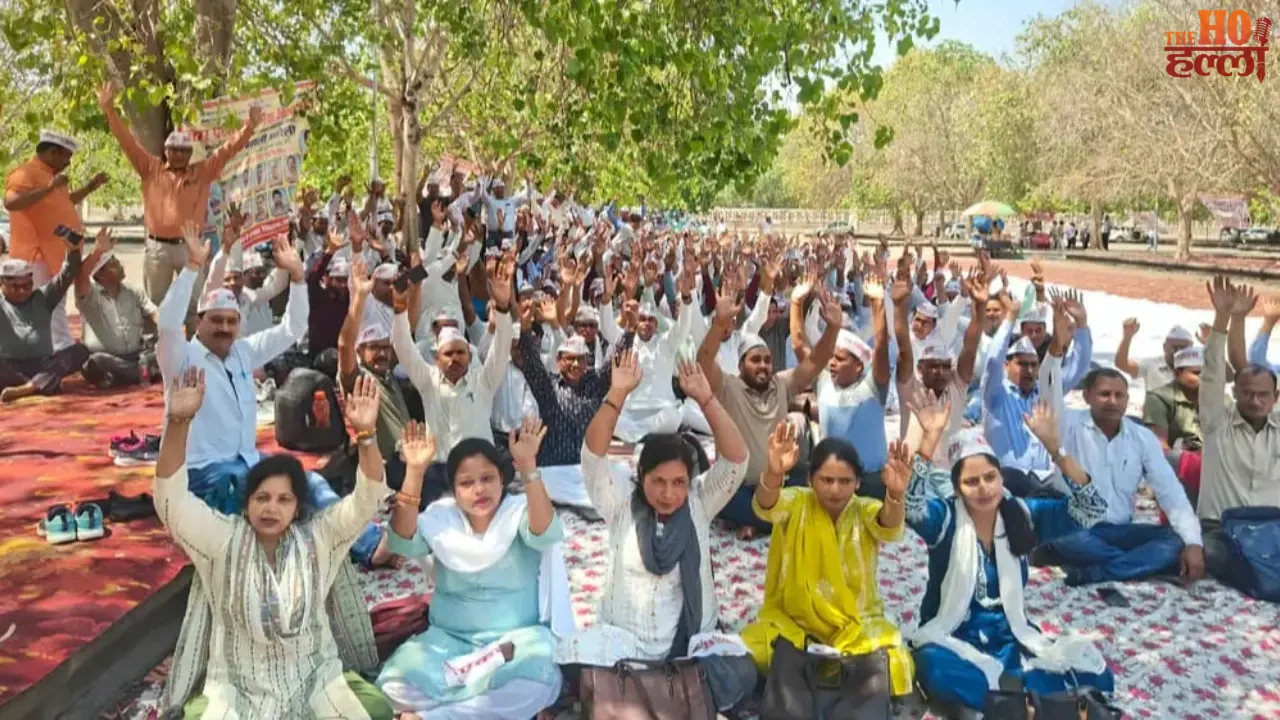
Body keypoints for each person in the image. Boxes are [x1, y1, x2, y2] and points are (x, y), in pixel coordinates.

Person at [154, 368, 393, 719]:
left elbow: (368, 496)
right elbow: (170, 502)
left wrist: (368, 435)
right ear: (247, 503)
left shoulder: (320, 536)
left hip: (315, 680)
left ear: (298, 508)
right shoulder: (223, 538)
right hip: (237, 687)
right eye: (262, 497)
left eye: (284, 500)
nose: (271, 508)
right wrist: (178, 422)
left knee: (376, 712)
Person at [155, 222, 389, 567]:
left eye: (230, 322)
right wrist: (192, 266)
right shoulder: (180, 358)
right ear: (199, 321)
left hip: (248, 461)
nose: (224, 328)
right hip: (204, 473)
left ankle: (368, 543)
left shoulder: (242, 352)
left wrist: (296, 277)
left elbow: (292, 329)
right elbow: (166, 322)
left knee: (307, 482)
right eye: (215, 320)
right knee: (264, 501)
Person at [558, 354, 758, 715]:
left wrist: (706, 399)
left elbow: (736, 461)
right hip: (626, 643)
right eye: (658, 482)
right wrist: (617, 394)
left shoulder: (699, 503)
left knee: (742, 669)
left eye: (679, 482)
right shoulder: (620, 503)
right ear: (640, 477)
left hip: (690, 644)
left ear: (690, 481)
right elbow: (593, 456)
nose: (669, 494)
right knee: (569, 664)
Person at [905, 399, 1113, 715]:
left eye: (990, 477)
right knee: (932, 667)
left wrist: (1056, 450)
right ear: (957, 489)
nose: (984, 488)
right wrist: (928, 443)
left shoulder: (1024, 515)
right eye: (971, 482)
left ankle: (1013, 706)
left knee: (1097, 674)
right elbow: (910, 508)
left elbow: (1092, 510)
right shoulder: (945, 519)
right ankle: (1037, 708)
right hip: (953, 640)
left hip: (1010, 640)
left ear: (1002, 478)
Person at [376, 418, 569, 719]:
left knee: (540, 679)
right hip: (449, 642)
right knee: (394, 685)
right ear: (453, 490)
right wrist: (414, 472)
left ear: (502, 481)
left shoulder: (518, 513)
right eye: (467, 482)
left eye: (487, 478)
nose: (479, 489)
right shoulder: (441, 520)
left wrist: (528, 466)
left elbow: (545, 533)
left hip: (515, 644)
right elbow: (401, 542)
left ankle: (431, 716)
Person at [740, 425, 914, 696]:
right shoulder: (797, 502)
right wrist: (775, 472)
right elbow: (765, 507)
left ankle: (810, 676)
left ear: (857, 482)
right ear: (810, 479)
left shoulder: (864, 508)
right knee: (748, 652)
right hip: (794, 623)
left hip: (856, 624)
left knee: (898, 663)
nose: (835, 489)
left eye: (845, 481)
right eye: (826, 480)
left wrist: (896, 495)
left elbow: (889, 526)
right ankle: (840, 679)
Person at [698, 275, 839, 538]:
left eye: (767, 360)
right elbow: (703, 361)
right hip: (737, 488)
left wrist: (832, 329)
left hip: (777, 483)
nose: (763, 366)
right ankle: (771, 520)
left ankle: (760, 521)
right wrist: (719, 323)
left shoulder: (781, 384)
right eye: (755, 360)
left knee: (816, 486)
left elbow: (816, 363)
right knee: (720, 496)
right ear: (741, 366)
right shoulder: (728, 387)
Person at [98, 82, 262, 309]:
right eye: (173, 149)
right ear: (166, 151)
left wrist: (250, 126)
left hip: (190, 248)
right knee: (155, 304)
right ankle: (156, 344)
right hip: (157, 250)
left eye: (183, 151)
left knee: (196, 304)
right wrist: (109, 110)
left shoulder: (202, 172)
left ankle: (196, 342)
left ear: (189, 154)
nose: (178, 154)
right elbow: (128, 142)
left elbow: (227, 149)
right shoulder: (150, 168)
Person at [1041, 366, 1205, 586]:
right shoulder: (1067, 424)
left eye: (1119, 395)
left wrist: (1193, 543)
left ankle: (1096, 572)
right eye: (1104, 394)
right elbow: (1047, 388)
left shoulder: (1142, 438)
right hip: (1076, 528)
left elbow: (1171, 493)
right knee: (1067, 539)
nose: (1112, 401)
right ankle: (1134, 564)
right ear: (1087, 396)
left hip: (1120, 530)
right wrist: (1056, 352)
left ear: (1127, 400)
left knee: (1173, 542)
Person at [389, 252, 515, 504]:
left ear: (470, 356)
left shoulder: (484, 380)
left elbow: (502, 346)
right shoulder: (428, 380)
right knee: (397, 471)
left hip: (478, 469)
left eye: (460, 353)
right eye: (448, 354)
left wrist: (502, 308)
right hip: (440, 470)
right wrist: (400, 311)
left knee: (503, 470)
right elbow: (403, 347)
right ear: (437, 357)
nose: (455, 359)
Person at [1198, 276, 1280, 579]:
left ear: (1275, 398)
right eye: (1248, 393)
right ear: (1235, 393)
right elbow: (1212, 373)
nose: (1256, 401)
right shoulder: (1217, 423)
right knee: (1215, 557)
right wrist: (1224, 319)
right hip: (1221, 529)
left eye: (1263, 395)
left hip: (1271, 528)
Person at [4, 129, 107, 352]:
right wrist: (50, 187)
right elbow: (11, 203)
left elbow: (64, 202)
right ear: (52, 152)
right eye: (66, 156)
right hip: (36, 253)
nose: (68, 162)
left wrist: (90, 187)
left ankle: (59, 347)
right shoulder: (26, 173)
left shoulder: (49, 176)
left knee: (56, 302)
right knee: (45, 303)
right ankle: (59, 349)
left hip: (55, 253)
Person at [0, 236, 90, 403]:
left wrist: (73, 251)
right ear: (2, 283)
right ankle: (42, 384)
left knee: (79, 352)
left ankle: (28, 388)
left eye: (27, 286)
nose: (22, 291)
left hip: (42, 365)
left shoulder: (42, 297)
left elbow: (66, 275)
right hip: (9, 368)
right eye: (15, 287)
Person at [75, 231, 159, 388]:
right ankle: (140, 373)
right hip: (107, 358)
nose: (120, 266)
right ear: (99, 274)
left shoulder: (133, 291)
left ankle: (130, 374)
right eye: (114, 264)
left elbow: (154, 313)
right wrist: (98, 251)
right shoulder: (89, 295)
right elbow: (80, 276)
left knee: (163, 352)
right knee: (95, 362)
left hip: (136, 356)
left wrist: (168, 330)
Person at [1142, 347, 1204, 504]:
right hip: (1180, 463)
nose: (1203, 378)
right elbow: (1159, 446)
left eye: (1206, 373)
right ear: (1177, 374)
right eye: (1196, 373)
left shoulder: (1219, 398)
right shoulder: (1159, 398)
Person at [1114, 320, 1195, 390]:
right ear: (1165, 347)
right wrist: (1127, 337)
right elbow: (1122, 364)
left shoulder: (1199, 369)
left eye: (1183, 348)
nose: (1178, 352)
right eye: (1175, 348)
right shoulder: (1152, 365)